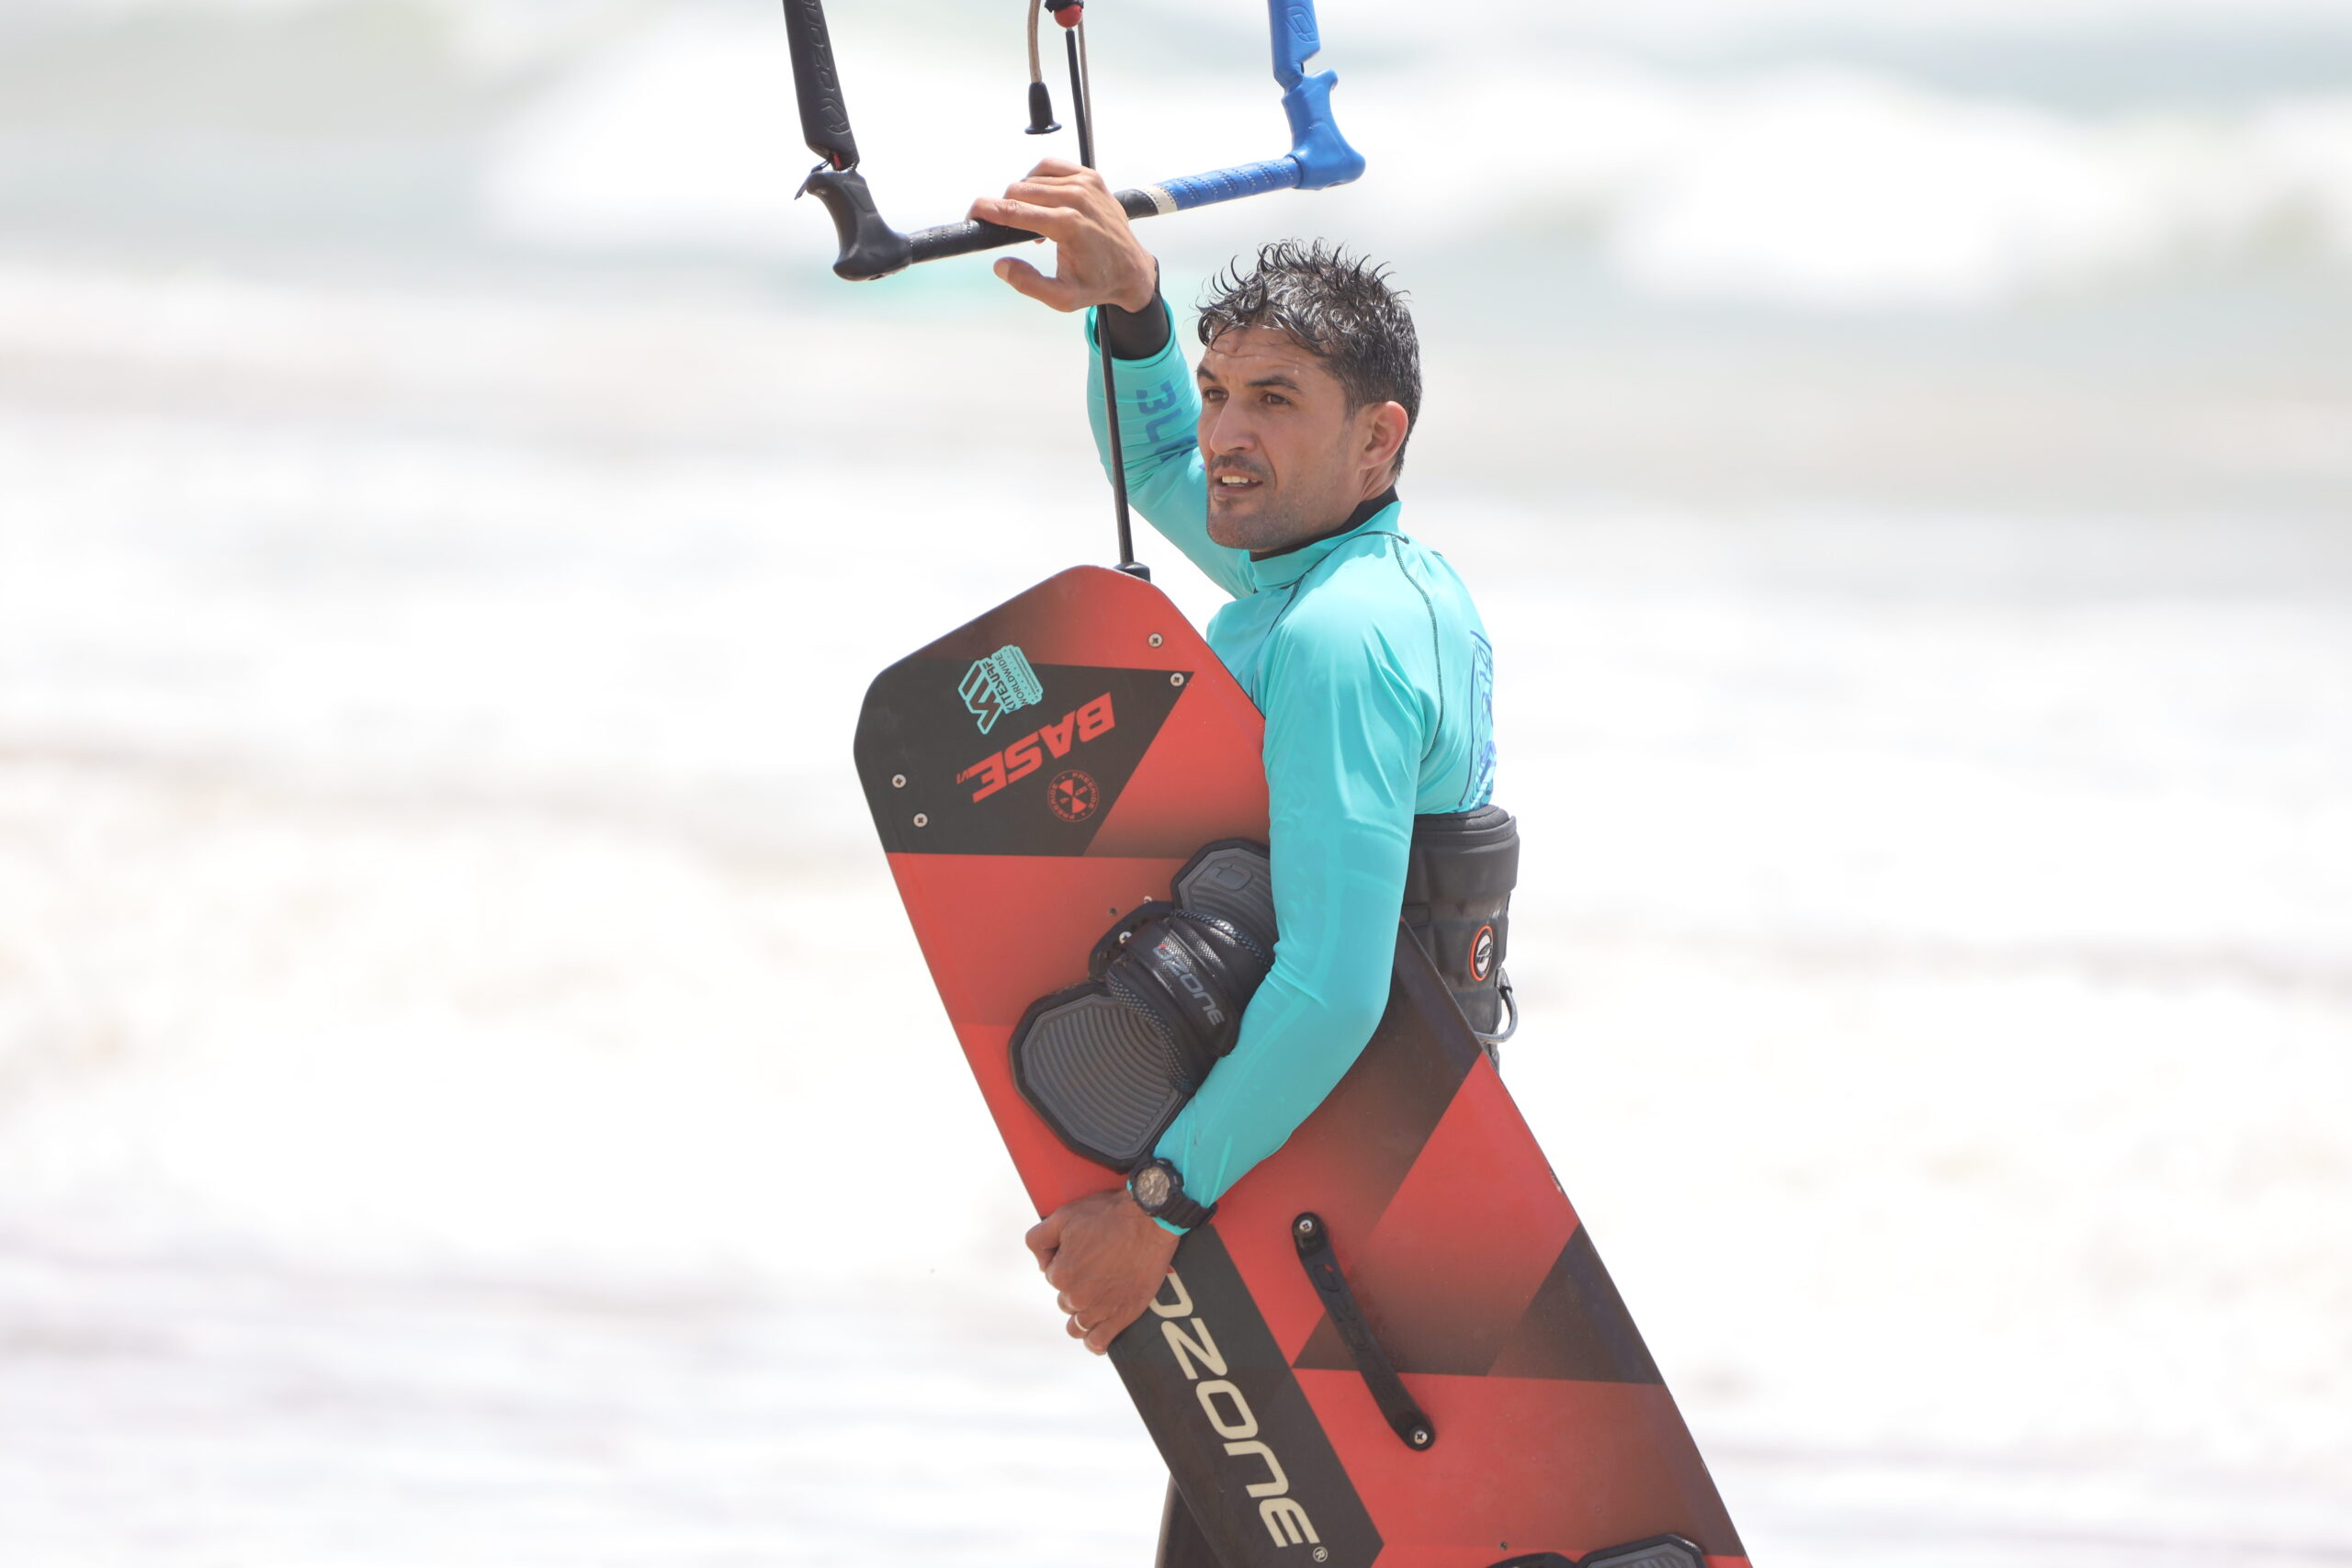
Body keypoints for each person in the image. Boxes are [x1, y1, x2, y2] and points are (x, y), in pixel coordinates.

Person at [969, 161, 1499, 1566]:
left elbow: (1332, 990)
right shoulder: (1366, 577)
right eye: (1220, 394)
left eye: (1274, 403)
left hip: (1324, 1174)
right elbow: (1154, 471)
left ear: (1377, 440)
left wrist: (1155, 1208)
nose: (1223, 439)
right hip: (1343, 1150)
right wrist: (1135, 313)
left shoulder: (1334, 640)